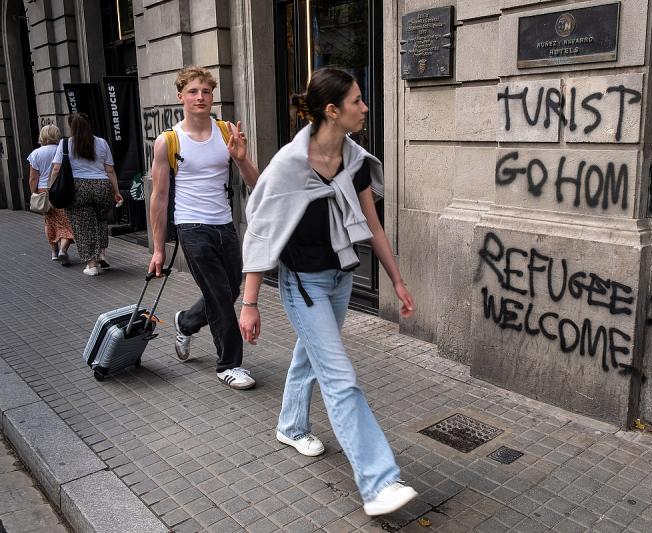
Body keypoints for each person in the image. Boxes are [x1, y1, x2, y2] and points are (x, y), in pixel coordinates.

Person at [238, 68, 418, 516]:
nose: (365, 107)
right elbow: (261, 231)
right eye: (357, 100)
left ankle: (291, 424)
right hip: (303, 286)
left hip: (339, 280)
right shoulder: (288, 165)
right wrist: (250, 301)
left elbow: (372, 225)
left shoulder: (353, 159)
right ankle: (378, 483)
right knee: (340, 379)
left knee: (311, 355)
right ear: (332, 110)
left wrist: (396, 279)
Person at [148, 66, 260, 390]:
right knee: (221, 296)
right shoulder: (168, 141)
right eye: (193, 92)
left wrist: (240, 158)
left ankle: (186, 321)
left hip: (224, 224)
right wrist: (158, 248)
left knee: (231, 289)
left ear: (212, 97)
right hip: (191, 227)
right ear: (181, 96)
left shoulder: (226, 131)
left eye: (206, 92)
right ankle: (229, 364)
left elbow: (256, 183)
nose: (200, 97)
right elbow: (158, 197)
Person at [50, 113, 123, 276]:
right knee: (100, 221)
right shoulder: (101, 143)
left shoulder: (65, 144)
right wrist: (116, 191)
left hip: (77, 188)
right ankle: (102, 254)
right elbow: (109, 170)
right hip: (102, 186)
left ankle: (92, 265)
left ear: (71, 126)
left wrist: (52, 190)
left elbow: (56, 169)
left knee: (83, 226)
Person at [27, 124, 74, 264]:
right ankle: (63, 250)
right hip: (61, 189)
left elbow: (33, 178)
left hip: (43, 190)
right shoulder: (64, 150)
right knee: (67, 222)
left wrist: (33, 193)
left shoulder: (35, 154)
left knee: (49, 222)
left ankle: (54, 252)